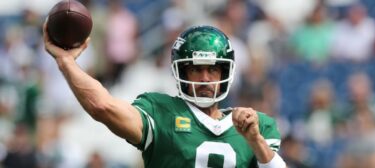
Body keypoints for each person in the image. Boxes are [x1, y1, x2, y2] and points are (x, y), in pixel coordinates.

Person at [43, 21, 286, 167]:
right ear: (179, 71)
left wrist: (255, 140)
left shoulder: (258, 127)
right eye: (195, 70)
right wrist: (66, 62)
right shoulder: (160, 111)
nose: (205, 78)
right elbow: (103, 106)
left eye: (213, 69)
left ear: (227, 71)